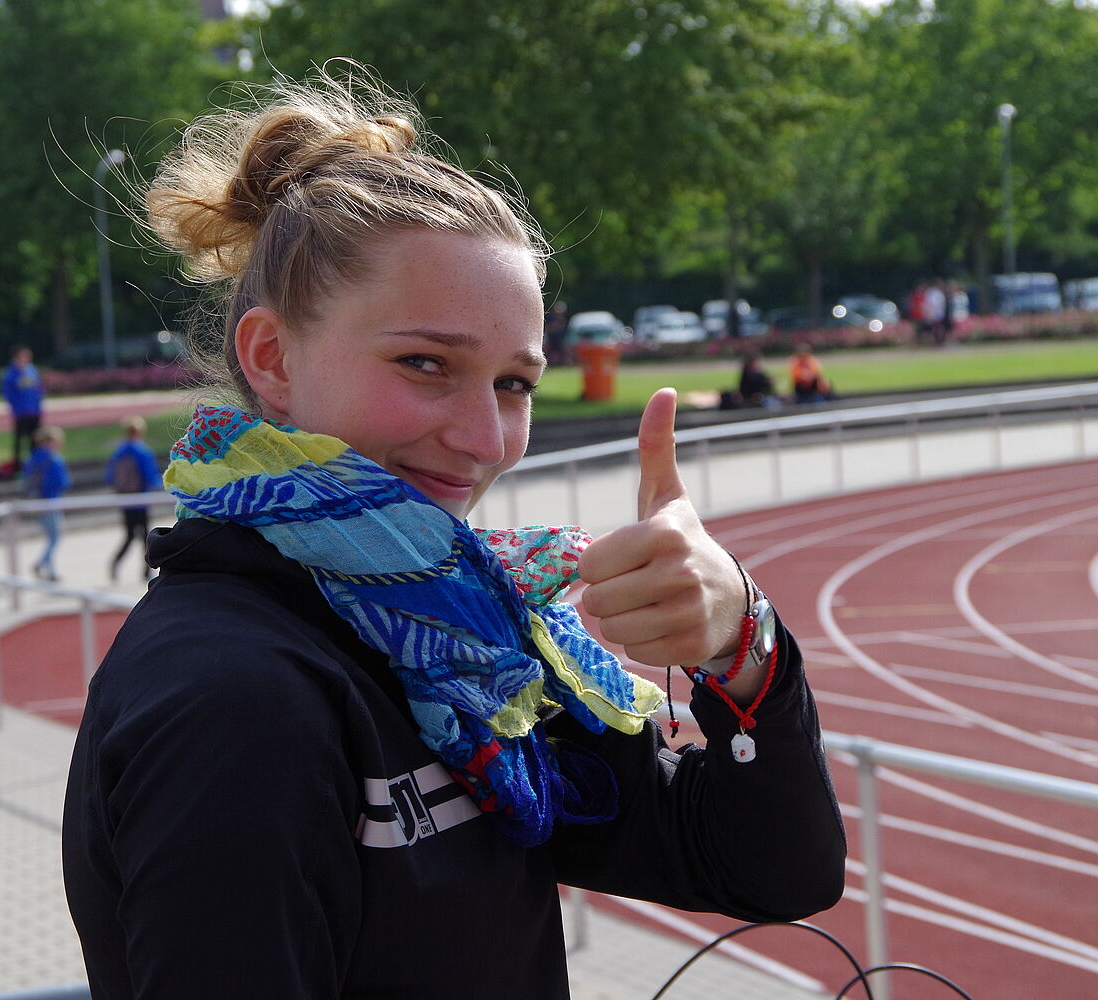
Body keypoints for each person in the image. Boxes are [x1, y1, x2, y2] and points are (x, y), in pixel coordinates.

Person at [62, 72, 844, 1000]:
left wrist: (741, 642)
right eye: (425, 363)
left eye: (514, 383)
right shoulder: (235, 698)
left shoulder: (459, 638)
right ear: (271, 358)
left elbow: (770, 870)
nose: (485, 440)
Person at [104, 416, 163, 582]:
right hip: (141, 499)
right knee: (145, 535)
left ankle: (116, 561)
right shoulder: (142, 451)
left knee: (130, 534)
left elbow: (110, 476)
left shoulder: (119, 451)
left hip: (125, 499)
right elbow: (150, 476)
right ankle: (146, 570)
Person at [24, 425, 72, 581]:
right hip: (51, 501)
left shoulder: (32, 458)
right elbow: (62, 482)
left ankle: (50, 570)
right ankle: (42, 563)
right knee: (55, 537)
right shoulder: (54, 459)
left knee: (51, 536)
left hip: (36, 501)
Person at [1, 345, 45, 473]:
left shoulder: (32, 370)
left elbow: (39, 389)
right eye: (24, 355)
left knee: (35, 439)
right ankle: (17, 467)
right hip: (21, 412)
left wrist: (38, 405)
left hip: (34, 411)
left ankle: (35, 464)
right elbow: (8, 393)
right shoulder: (10, 373)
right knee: (19, 440)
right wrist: (16, 408)